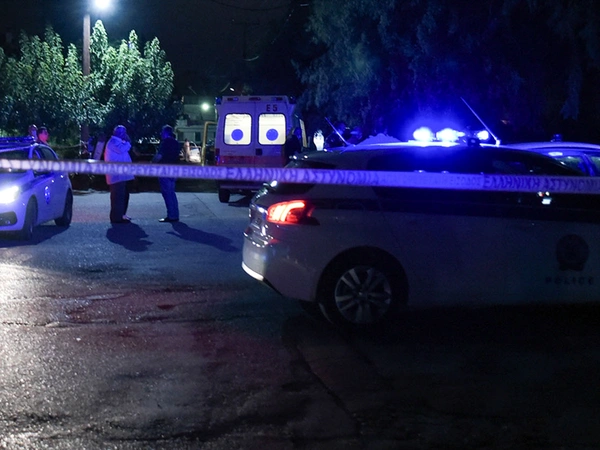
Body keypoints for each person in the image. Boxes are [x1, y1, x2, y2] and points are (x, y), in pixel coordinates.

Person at [104, 125, 134, 224]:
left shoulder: (119, 141)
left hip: (123, 175)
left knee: (124, 195)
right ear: (116, 132)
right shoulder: (113, 142)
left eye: (124, 132)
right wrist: (128, 142)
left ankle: (122, 215)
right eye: (122, 132)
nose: (124, 134)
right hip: (117, 175)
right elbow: (122, 149)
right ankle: (116, 218)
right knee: (118, 197)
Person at [152, 125, 180, 222]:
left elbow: (159, 156)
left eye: (162, 132)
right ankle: (175, 214)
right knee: (172, 193)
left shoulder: (165, 143)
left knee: (167, 193)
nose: (161, 134)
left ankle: (171, 216)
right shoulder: (176, 143)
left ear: (165, 133)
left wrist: (152, 162)